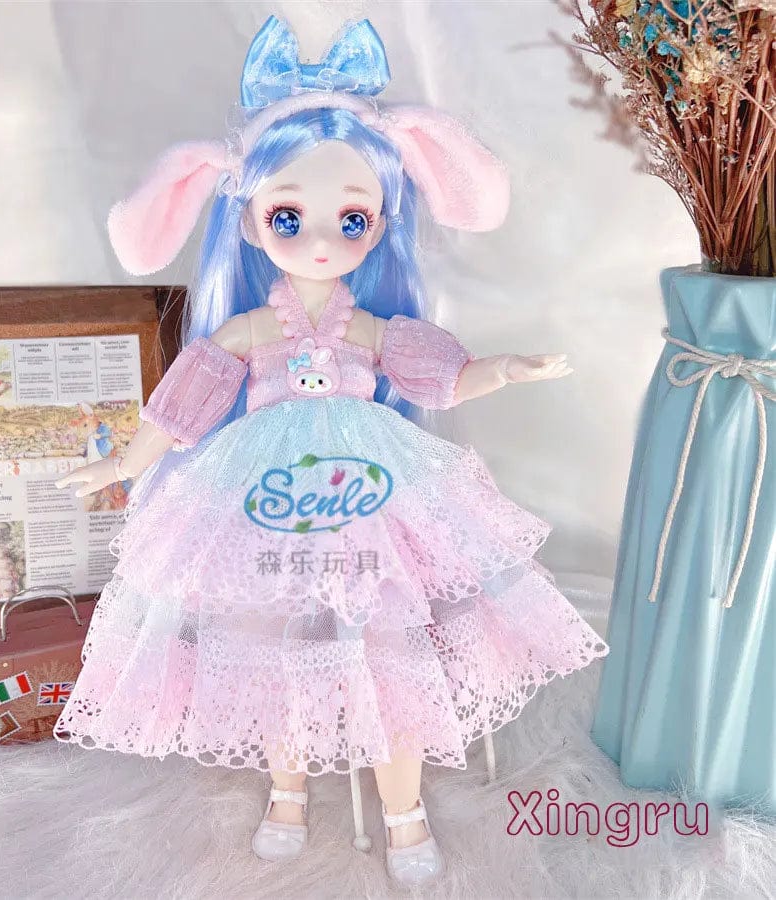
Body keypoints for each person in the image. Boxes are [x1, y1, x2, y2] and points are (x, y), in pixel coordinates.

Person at [53, 16, 608, 887]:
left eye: (351, 218)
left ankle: (404, 809)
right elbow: (187, 401)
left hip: (372, 488)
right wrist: (123, 463)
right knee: (277, 645)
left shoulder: (372, 328)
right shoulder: (249, 328)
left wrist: (505, 369)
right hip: (261, 491)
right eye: (289, 215)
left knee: (387, 649)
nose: (321, 239)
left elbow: (440, 376)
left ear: (380, 223)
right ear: (248, 221)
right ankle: (286, 793)